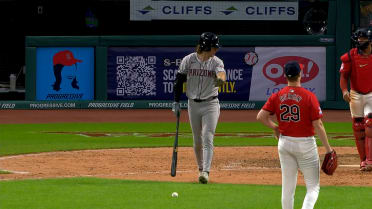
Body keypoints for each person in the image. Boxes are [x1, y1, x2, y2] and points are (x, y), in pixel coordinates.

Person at [256, 61, 333, 209]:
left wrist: (275, 128)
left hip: (284, 143)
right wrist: (328, 149)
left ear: (285, 76)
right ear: (300, 74)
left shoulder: (277, 95)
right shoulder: (309, 96)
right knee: (313, 187)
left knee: (288, 188)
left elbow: (260, 116)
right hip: (305, 145)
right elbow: (318, 124)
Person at [172, 32, 226, 184]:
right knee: (197, 140)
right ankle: (200, 167)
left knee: (207, 136)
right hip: (193, 104)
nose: (216, 50)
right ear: (206, 47)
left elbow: (221, 75)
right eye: (214, 47)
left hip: (211, 104)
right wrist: (176, 102)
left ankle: (206, 172)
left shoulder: (216, 62)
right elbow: (178, 81)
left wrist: (220, 80)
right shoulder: (188, 60)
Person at [340, 27, 372, 171]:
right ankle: (363, 160)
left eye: (363, 40)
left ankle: (370, 160)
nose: (360, 42)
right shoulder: (350, 56)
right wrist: (344, 90)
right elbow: (344, 76)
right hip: (355, 94)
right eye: (359, 39)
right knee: (358, 127)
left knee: (370, 125)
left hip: (371, 94)